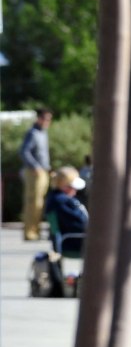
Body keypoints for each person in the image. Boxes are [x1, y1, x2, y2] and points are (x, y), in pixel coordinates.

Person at [20, 107, 53, 241]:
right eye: (45, 119)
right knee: (32, 203)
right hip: (34, 172)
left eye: (49, 119)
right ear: (38, 118)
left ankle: (36, 231)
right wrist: (35, 167)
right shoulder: (32, 133)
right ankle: (30, 233)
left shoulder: (43, 133)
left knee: (40, 203)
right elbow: (24, 152)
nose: (47, 122)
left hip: (43, 171)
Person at [43, 166, 88, 258]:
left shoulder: (55, 198)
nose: (76, 191)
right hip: (75, 243)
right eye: (73, 188)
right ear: (65, 186)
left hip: (73, 241)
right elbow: (79, 224)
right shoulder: (63, 202)